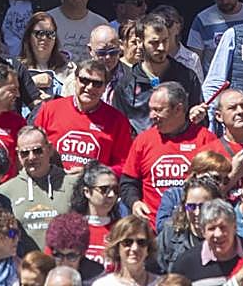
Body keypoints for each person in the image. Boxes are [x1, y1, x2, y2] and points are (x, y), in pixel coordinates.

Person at [120, 82, 221, 224]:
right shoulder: (143, 140)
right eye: (151, 109)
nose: (151, 116)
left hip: (194, 227)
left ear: (178, 109)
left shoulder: (206, 139)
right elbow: (128, 182)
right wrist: (134, 202)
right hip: (152, 229)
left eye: (158, 110)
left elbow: (218, 184)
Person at [33, 58, 133, 174]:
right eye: (84, 80)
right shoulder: (50, 110)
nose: (89, 87)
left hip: (93, 188)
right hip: (53, 185)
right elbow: (33, 148)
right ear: (75, 80)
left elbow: (124, 165)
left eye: (97, 83)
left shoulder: (117, 121)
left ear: (105, 88)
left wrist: (93, 172)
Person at [113, 14, 205, 133]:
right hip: (141, 147)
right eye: (154, 42)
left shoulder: (187, 77)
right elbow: (118, 127)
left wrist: (197, 116)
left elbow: (200, 122)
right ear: (140, 42)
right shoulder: (126, 84)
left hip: (178, 147)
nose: (161, 47)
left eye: (165, 40)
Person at [0, 127, 74, 254]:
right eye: (25, 153)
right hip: (25, 268)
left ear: (49, 149)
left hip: (64, 266)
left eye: (37, 151)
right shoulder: (5, 192)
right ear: (18, 155)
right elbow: (5, 234)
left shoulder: (72, 184)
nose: (31, 157)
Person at [171, 199, 243, 286]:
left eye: (223, 227)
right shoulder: (185, 264)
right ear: (203, 232)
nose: (218, 234)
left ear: (234, 227)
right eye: (211, 228)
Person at [95, 217, 160, 286]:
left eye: (141, 242)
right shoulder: (103, 284)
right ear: (117, 248)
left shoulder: (161, 284)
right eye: (127, 242)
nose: (135, 248)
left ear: (148, 248)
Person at [45, 214, 107, 284]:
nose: (65, 263)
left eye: (71, 256)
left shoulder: (97, 277)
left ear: (82, 254)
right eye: (58, 255)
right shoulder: (44, 272)